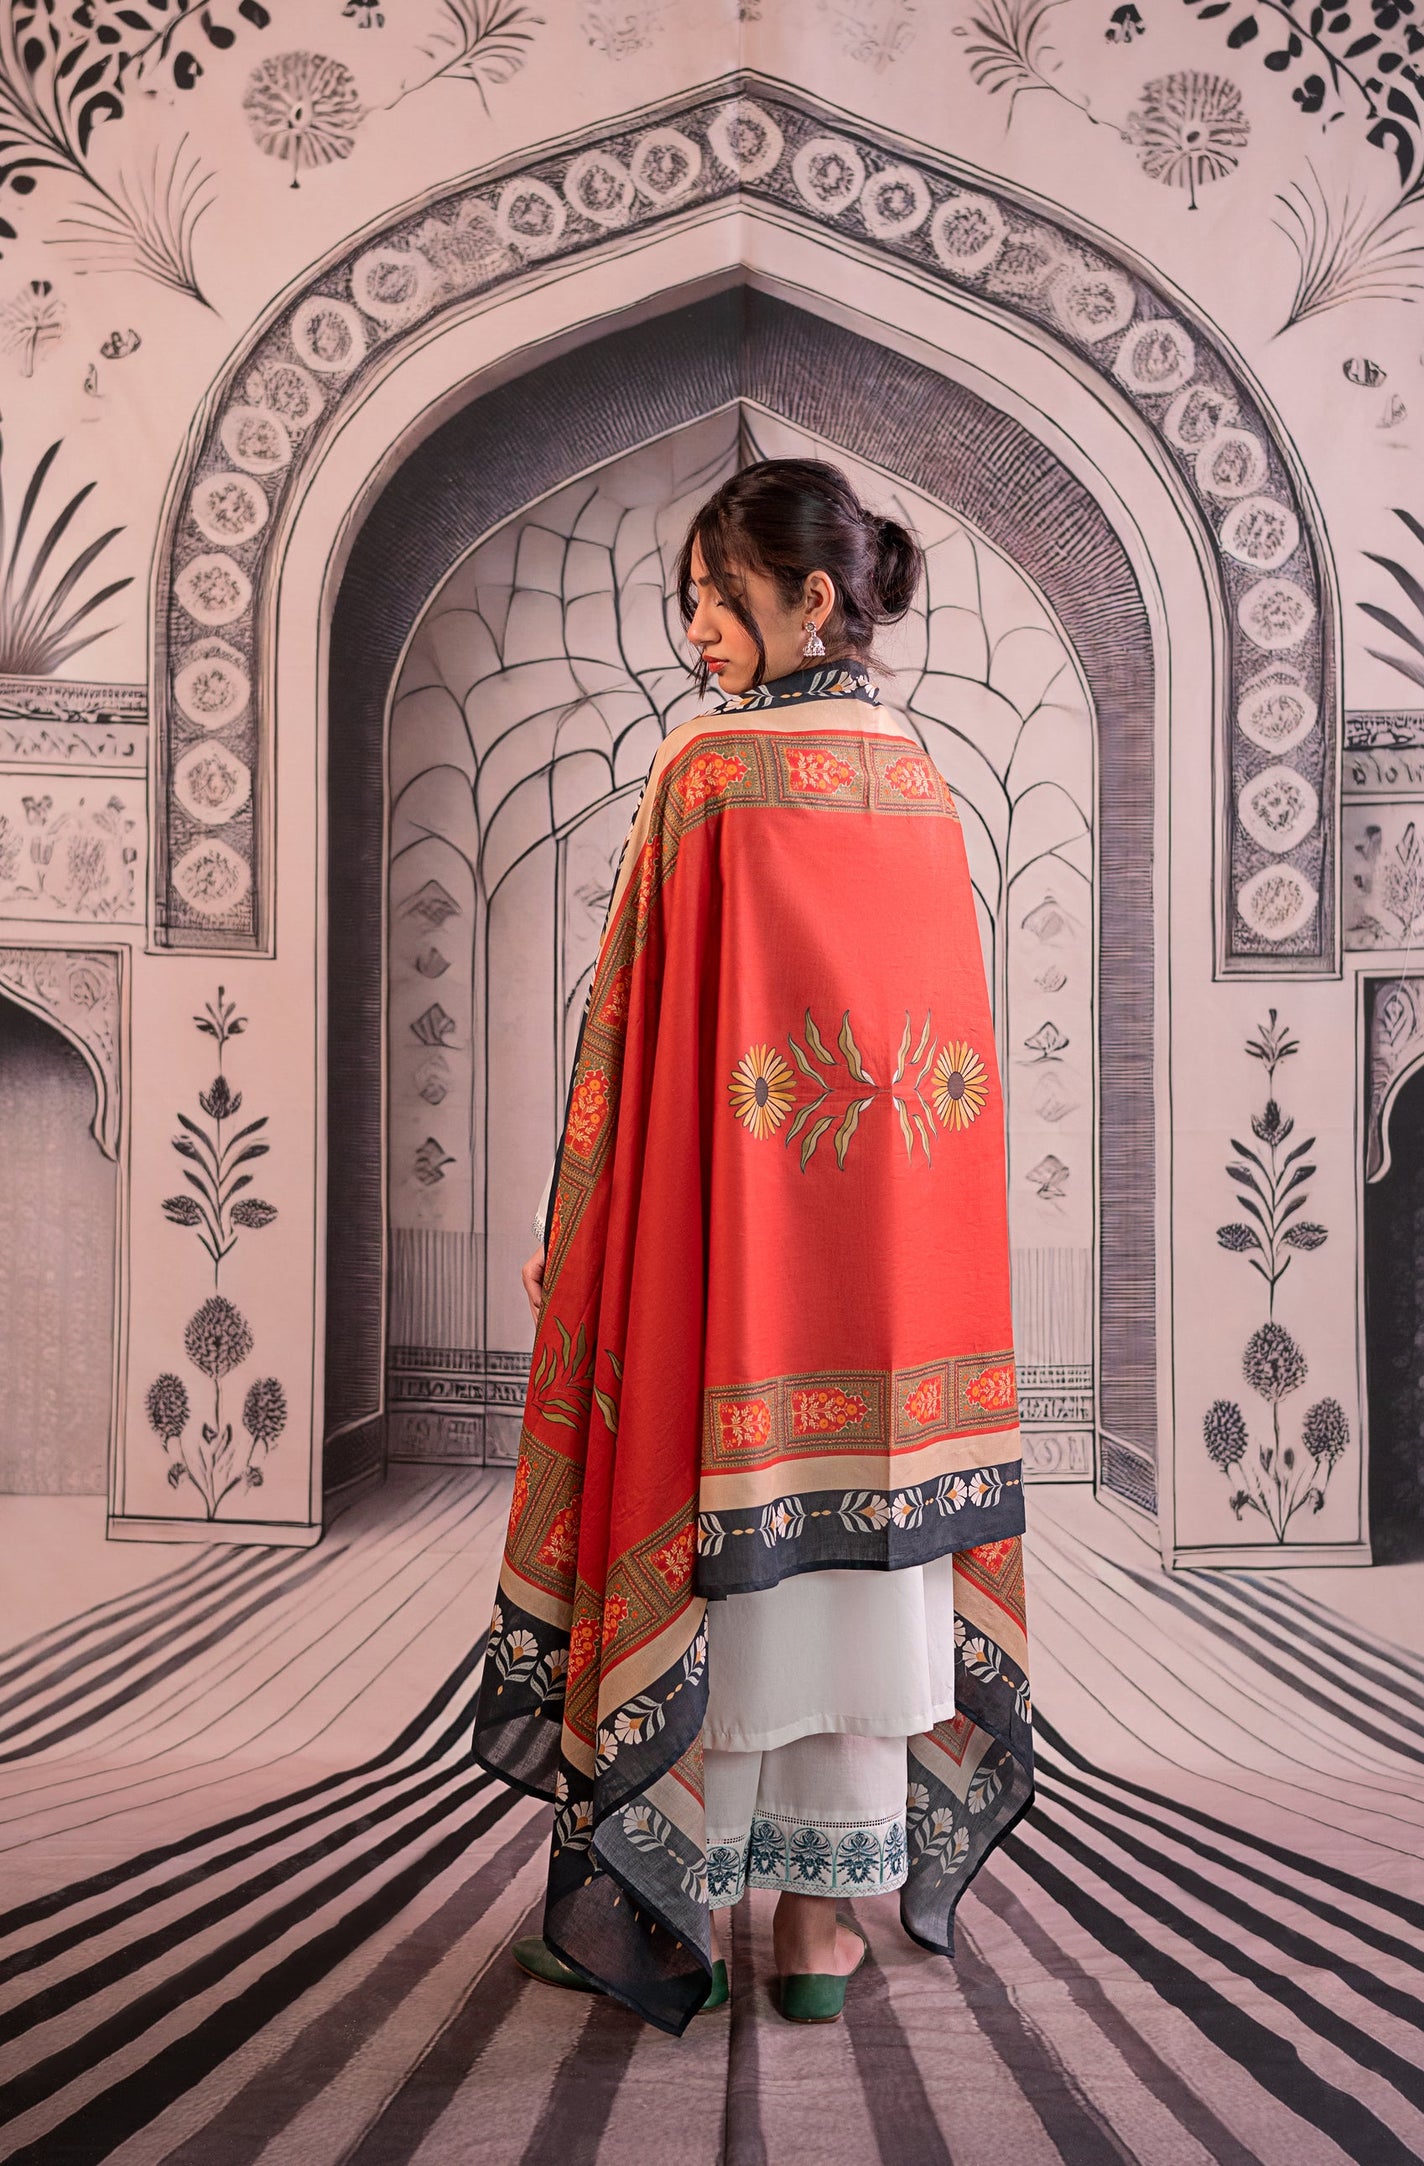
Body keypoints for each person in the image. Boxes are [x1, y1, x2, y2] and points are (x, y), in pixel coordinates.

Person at [472, 458, 1032, 2036]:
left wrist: (580, 1225)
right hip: (894, 1302)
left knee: (722, 1565)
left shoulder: (707, 772)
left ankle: (674, 1905)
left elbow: (628, 1029)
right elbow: (946, 1075)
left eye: (721, 597)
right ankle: (818, 1927)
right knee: (867, 1576)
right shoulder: (919, 778)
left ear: (812, 596)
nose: (698, 628)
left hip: (735, 1272)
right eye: (690, 600)